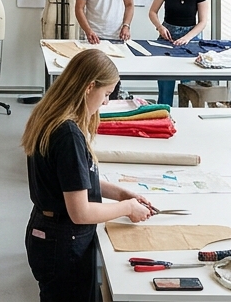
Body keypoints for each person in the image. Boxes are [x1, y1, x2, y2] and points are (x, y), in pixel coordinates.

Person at [22, 50, 153, 302]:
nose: (105, 103)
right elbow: (80, 212)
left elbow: (72, 181)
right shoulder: (67, 134)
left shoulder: (50, 115)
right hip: (62, 243)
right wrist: (126, 208)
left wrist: (120, 193)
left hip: (46, 233)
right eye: (105, 94)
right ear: (89, 86)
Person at [146, 0, 209, 106]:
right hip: (167, 36)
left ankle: (186, 117)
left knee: (187, 87)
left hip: (191, 37)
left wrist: (188, 37)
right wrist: (159, 27)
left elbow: (202, 22)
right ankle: (163, 115)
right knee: (165, 85)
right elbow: (152, 12)